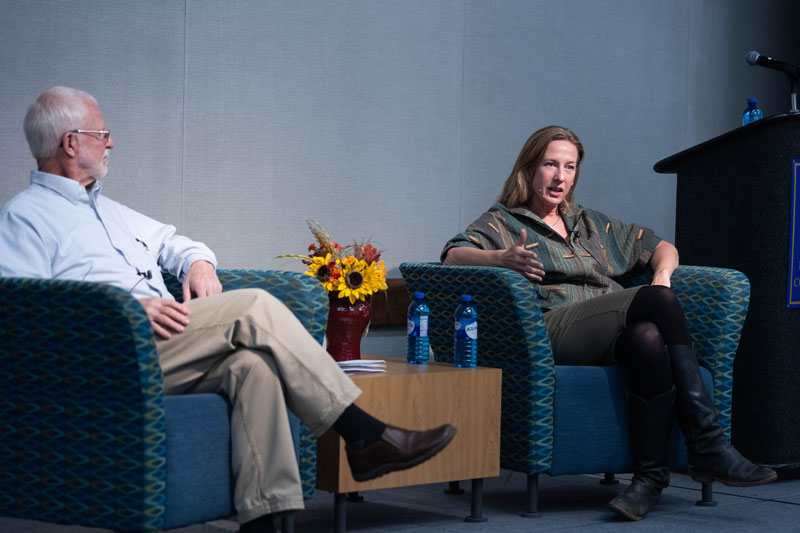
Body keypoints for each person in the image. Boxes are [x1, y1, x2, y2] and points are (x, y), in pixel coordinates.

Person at [0, 86, 456, 533]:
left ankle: (266, 519)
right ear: (71, 142)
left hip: (163, 350)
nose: (111, 143)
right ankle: (363, 432)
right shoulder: (25, 217)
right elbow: (23, 313)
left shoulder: (113, 212)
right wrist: (126, 312)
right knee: (254, 306)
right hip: (106, 358)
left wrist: (198, 263)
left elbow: (178, 242)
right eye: (103, 134)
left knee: (252, 365)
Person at [441, 125, 776, 521]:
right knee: (655, 307)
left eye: (569, 167)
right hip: (553, 330)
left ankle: (649, 480)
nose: (559, 176)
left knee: (647, 337)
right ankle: (707, 440)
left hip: (608, 327)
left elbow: (662, 247)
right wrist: (500, 259)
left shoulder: (591, 223)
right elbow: (451, 255)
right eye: (550, 164)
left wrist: (662, 278)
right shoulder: (504, 221)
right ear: (529, 168)